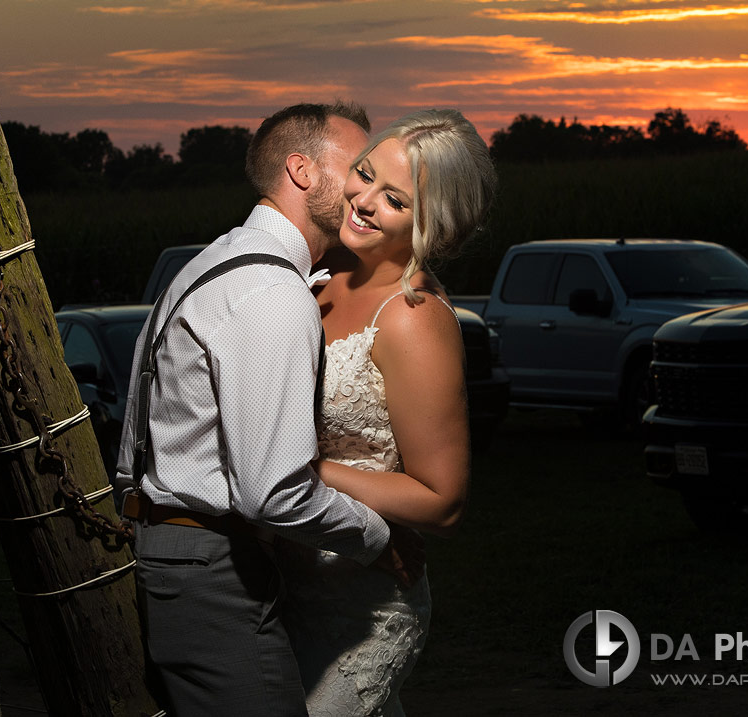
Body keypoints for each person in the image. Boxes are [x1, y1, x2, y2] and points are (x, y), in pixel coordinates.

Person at [115, 102, 402, 717]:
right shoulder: (270, 291)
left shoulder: (220, 262)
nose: (364, 189)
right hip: (213, 571)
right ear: (301, 171)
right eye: (358, 169)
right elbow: (273, 492)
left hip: (182, 552)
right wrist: (376, 538)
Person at [276, 108, 497, 716]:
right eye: (365, 173)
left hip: (359, 602)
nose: (363, 200)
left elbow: (443, 501)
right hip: (282, 578)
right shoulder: (319, 279)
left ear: (434, 225)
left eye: (394, 199)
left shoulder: (412, 316)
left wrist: (303, 470)